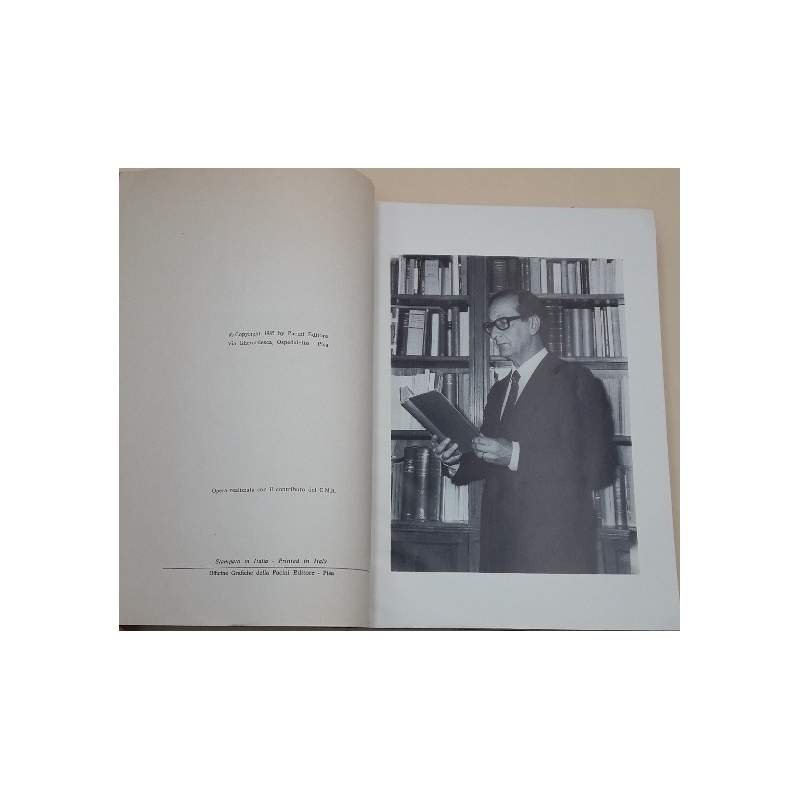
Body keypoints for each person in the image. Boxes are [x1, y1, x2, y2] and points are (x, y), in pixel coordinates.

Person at [433, 289, 616, 573]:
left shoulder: (576, 381)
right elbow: (487, 461)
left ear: (532, 324)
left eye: (502, 323)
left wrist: (514, 455)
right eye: (491, 326)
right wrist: (456, 460)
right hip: (498, 544)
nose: (494, 335)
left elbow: (597, 466)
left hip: (554, 546)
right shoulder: (498, 390)